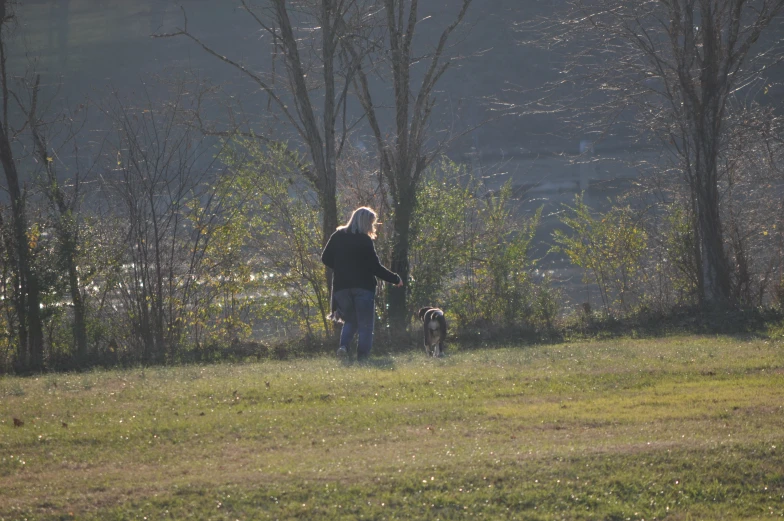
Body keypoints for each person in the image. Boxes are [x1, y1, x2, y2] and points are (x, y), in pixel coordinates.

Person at [321, 207, 403, 361]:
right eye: (371, 223)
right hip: (363, 287)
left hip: (341, 288)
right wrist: (395, 279)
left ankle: (344, 347)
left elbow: (325, 258)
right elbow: (375, 267)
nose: (372, 227)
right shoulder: (364, 240)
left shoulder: (338, 235)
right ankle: (363, 357)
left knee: (351, 319)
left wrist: (342, 268)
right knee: (365, 324)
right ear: (365, 223)